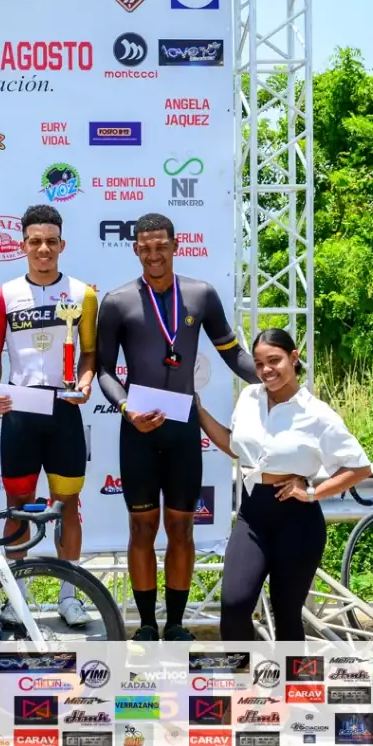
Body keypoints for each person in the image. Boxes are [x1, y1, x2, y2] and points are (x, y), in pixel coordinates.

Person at [96, 212, 258, 642]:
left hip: (183, 429)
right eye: (146, 248)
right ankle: (147, 625)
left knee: (182, 528)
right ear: (136, 249)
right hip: (138, 429)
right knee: (141, 529)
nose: (154, 255)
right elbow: (105, 371)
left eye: (161, 247)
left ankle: (175, 624)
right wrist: (127, 409)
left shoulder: (200, 294)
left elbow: (232, 353)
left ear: (175, 246)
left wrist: (272, 376)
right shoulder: (117, 301)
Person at [196, 329, 371, 640]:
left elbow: (359, 467)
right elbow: (236, 448)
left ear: (294, 357)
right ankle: (242, 673)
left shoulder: (317, 414)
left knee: (287, 614)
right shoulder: (249, 398)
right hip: (252, 518)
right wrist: (199, 412)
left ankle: (293, 674)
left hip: (297, 523)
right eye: (259, 363)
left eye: (274, 360)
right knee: (234, 606)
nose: (266, 370)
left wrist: (313, 492)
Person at [0, 204, 96, 627]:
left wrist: (85, 381)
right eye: (35, 242)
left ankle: (71, 596)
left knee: (67, 503)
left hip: (64, 409)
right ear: (23, 245)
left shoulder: (83, 293)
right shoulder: (3, 294)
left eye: (51, 241)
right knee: (17, 505)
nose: (43, 249)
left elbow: (90, 352)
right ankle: (18, 597)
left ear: (62, 245)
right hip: (21, 409)